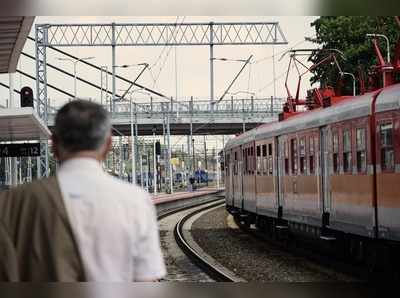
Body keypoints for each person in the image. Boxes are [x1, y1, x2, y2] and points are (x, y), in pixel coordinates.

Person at [0, 100, 166, 281]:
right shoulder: (136, 200)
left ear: (54, 144)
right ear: (108, 145)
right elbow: (146, 280)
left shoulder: (12, 202)